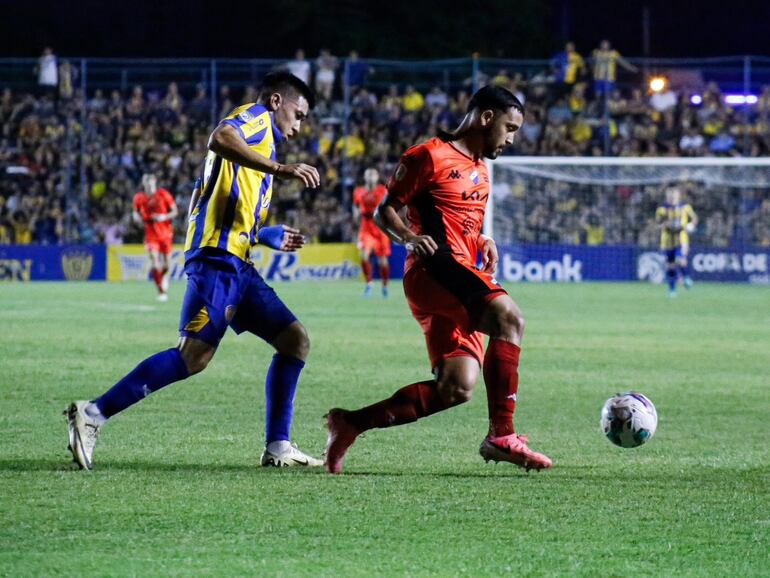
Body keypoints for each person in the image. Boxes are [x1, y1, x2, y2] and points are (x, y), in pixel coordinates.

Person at [65, 72, 324, 470]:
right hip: (217, 261)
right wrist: (281, 168)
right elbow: (219, 138)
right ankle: (92, 414)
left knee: (295, 341)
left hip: (238, 261)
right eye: (298, 114)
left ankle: (278, 446)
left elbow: (230, 206)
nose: (299, 125)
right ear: (276, 101)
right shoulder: (254, 119)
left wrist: (265, 233)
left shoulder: (263, 146)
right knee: (193, 357)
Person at [324, 85, 552, 474]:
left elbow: (460, 220)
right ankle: (502, 434)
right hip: (435, 269)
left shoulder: (481, 167)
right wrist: (409, 239)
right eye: (510, 128)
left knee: (457, 386)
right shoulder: (427, 156)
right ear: (486, 118)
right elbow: (385, 212)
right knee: (510, 319)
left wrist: (483, 238)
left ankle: (349, 424)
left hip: (461, 270)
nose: (512, 139)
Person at [132, 173, 178, 301]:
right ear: (143, 184)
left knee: (167, 265)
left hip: (165, 234)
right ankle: (161, 292)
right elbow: (135, 212)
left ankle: (164, 277)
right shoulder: (139, 197)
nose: (149, 187)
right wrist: (136, 218)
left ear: (154, 183)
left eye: (151, 184)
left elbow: (175, 211)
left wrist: (164, 217)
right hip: (151, 235)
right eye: (146, 184)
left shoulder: (163, 194)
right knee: (154, 259)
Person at [352, 168, 391, 297]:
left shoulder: (382, 190)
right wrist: (356, 214)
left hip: (380, 227)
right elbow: (356, 206)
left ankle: (385, 286)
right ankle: (369, 284)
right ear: (364, 177)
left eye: (373, 174)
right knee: (364, 256)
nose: (370, 177)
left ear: (377, 177)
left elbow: (387, 206)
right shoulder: (359, 191)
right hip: (366, 226)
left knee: (382, 261)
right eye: (368, 174)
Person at [655, 187, 697, 297]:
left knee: (680, 260)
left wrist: (690, 225)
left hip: (682, 240)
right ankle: (672, 290)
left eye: (674, 195)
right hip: (667, 241)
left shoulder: (685, 207)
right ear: (667, 197)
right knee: (671, 266)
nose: (672, 197)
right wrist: (665, 224)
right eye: (670, 196)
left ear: (678, 196)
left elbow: (694, 218)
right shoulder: (662, 209)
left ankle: (686, 277)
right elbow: (658, 223)